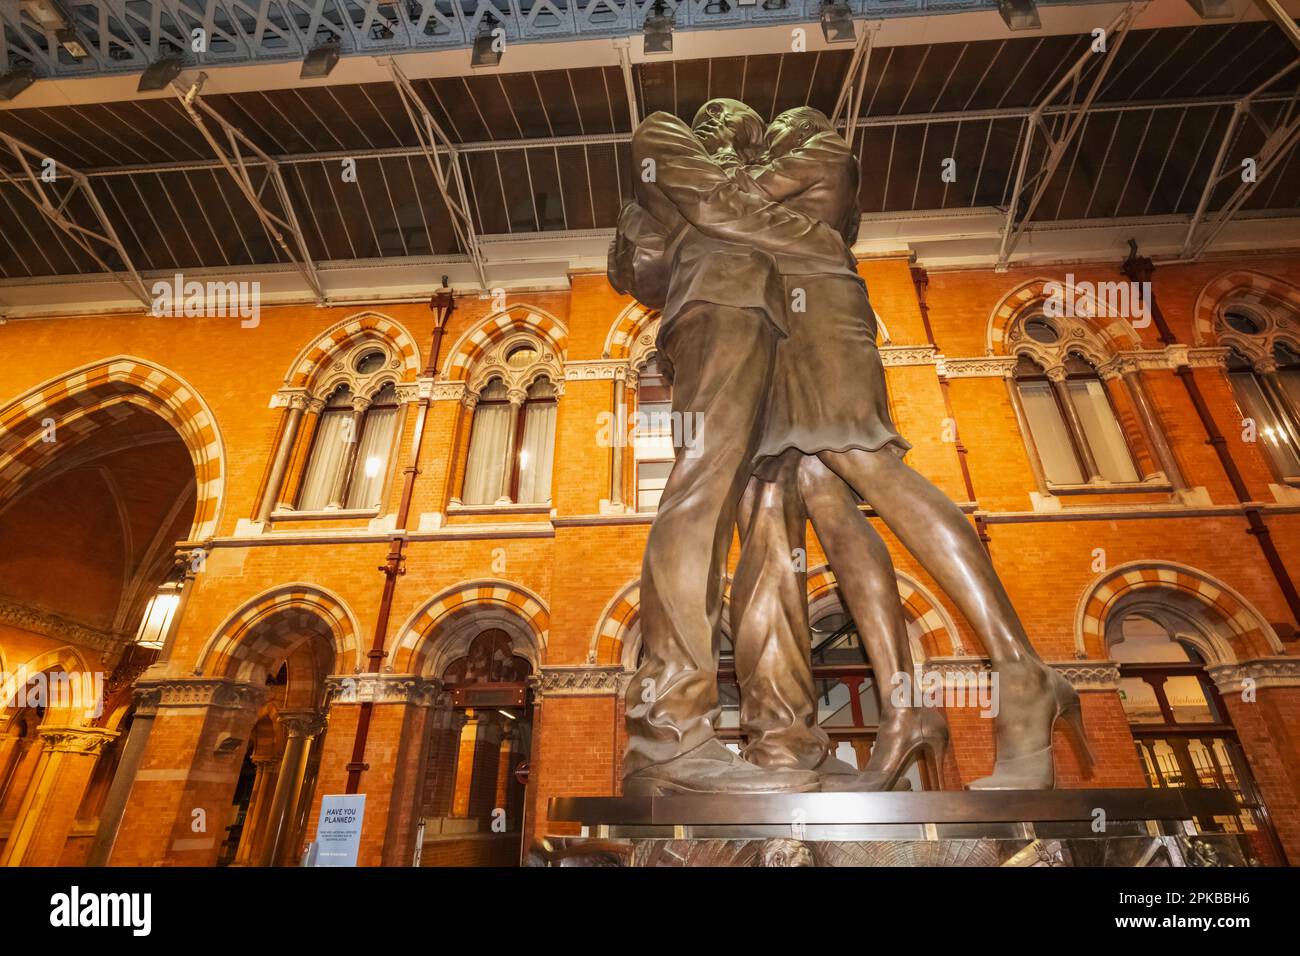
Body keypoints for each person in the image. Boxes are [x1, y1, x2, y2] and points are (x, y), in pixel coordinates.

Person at [669, 106, 1094, 790]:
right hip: (776, 328)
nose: (719, 121)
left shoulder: (813, 143)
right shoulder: (771, 172)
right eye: (710, 115)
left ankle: (1022, 669)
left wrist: (712, 183)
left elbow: (725, 206)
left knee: (868, 463)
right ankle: (905, 709)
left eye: (730, 115)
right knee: (824, 500)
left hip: (818, 318)